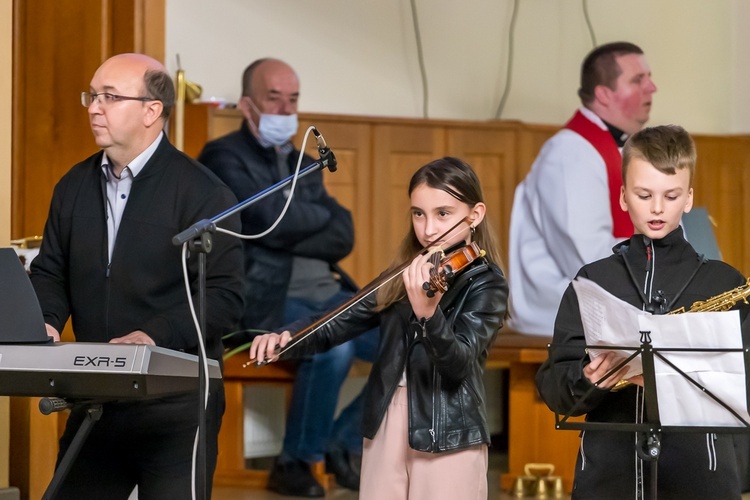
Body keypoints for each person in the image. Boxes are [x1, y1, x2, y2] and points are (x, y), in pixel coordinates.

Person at [28, 53, 245, 498]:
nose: (93, 107)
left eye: (110, 97)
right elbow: (52, 271)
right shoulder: (72, 186)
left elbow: (224, 298)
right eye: (92, 95)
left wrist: (150, 335)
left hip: (176, 407)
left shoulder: (204, 193)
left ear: (152, 111)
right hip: (97, 401)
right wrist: (44, 321)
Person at [250, 157, 510, 500]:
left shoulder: (487, 284)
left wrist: (429, 314)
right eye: (419, 213)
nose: (429, 228)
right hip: (386, 416)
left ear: (474, 214)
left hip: (448, 426)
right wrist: (287, 337)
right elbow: (339, 319)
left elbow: (458, 363)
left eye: (443, 214)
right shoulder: (407, 272)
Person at [535, 125, 748, 499]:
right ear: (622, 197)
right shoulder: (592, 281)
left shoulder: (726, 284)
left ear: (688, 199)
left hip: (700, 478)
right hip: (608, 476)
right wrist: (588, 378)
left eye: (671, 195)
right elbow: (555, 386)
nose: (656, 208)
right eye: (643, 194)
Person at [198, 57, 378, 496]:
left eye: (292, 99)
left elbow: (342, 232)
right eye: (272, 98)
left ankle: (343, 441)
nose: (284, 109)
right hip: (266, 300)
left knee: (412, 337)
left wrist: (285, 229)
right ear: (246, 104)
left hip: (331, 293)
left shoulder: (305, 161)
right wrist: (298, 223)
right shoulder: (223, 156)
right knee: (334, 348)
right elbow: (262, 218)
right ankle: (295, 462)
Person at [508, 41, 658, 336]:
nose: (651, 87)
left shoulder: (620, 147)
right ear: (604, 93)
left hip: (602, 310)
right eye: (638, 80)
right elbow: (587, 259)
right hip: (562, 315)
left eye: (649, 78)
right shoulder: (570, 152)